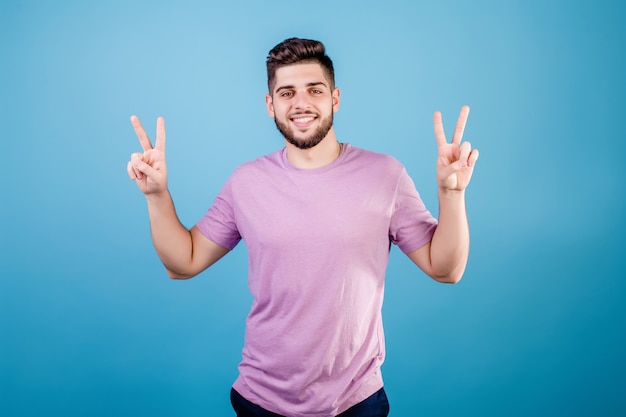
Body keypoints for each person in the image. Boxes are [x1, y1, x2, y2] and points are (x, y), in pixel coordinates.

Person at [127, 38, 479, 417]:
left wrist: (450, 193)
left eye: (314, 90)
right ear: (270, 104)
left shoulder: (385, 175)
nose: (301, 103)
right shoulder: (246, 182)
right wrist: (157, 195)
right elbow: (184, 263)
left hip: (356, 401)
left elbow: (446, 269)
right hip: (262, 399)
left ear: (335, 98)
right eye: (287, 92)